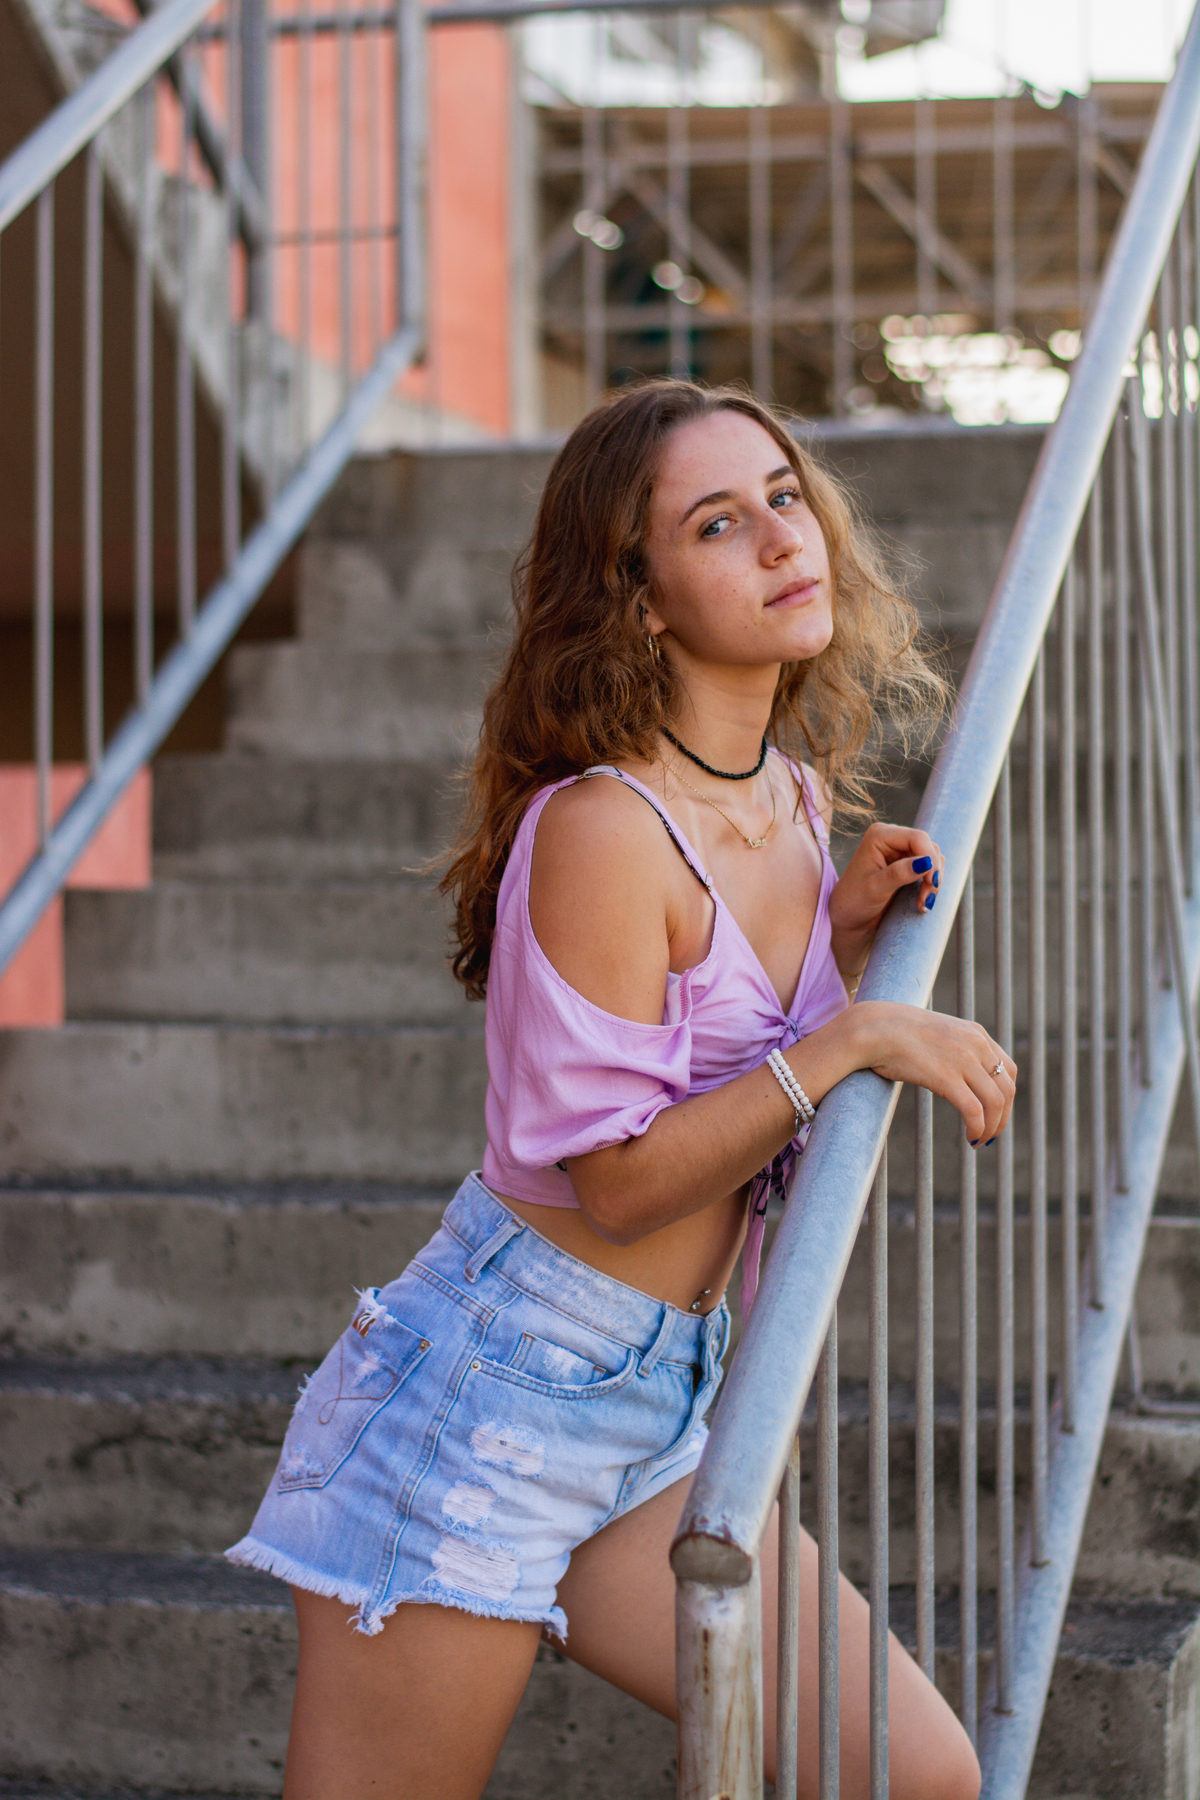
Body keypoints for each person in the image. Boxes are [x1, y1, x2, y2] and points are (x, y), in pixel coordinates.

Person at [228, 379, 1009, 1800]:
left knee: (919, 1772)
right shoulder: (601, 829)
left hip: (657, 1414)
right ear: (639, 599)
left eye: (784, 496)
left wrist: (830, 947)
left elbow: (711, 1035)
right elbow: (626, 1175)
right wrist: (848, 1042)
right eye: (720, 522)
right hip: (487, 1403)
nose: (783, 539)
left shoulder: (781, 792)